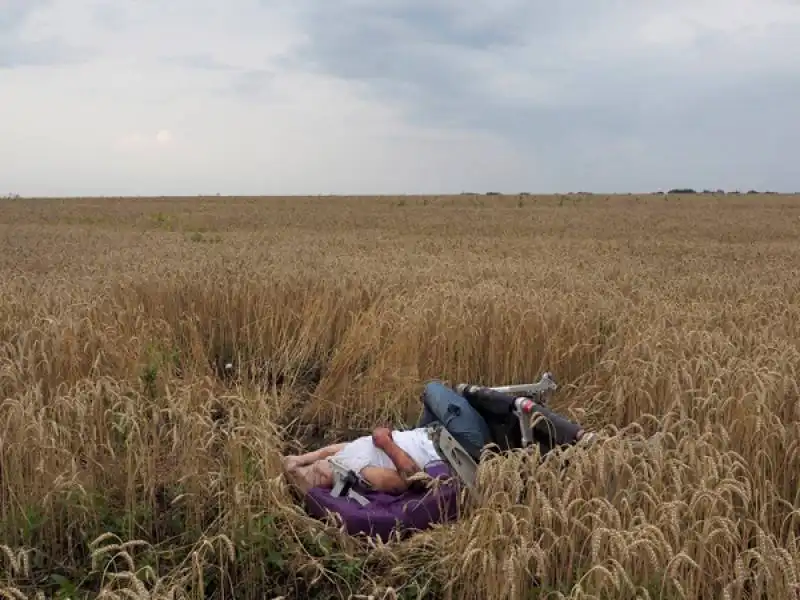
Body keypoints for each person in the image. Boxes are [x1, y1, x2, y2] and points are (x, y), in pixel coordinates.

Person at [282, 426, 441, 495]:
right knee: (433, 390)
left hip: (430, 434)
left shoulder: (346, 462)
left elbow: (331, 450)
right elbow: (410, 478)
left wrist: (302, 458)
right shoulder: (356, 468)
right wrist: (385, 442)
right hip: (438, 440)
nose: (316, 467)